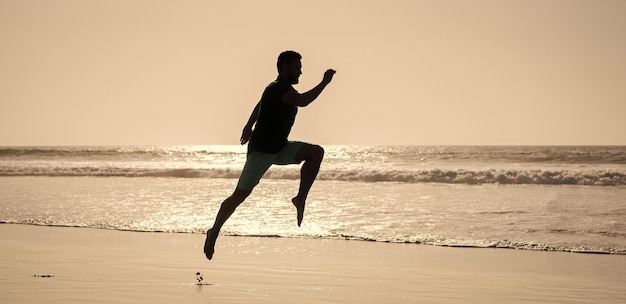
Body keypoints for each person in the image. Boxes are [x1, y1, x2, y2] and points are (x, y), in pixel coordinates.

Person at [204, 50, 336, 260]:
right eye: (296, 67)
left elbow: (259, 105)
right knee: (239, 196)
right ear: (284, 68)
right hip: (261, 152)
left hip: (280, 148)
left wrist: (249, 125)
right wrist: (324, 82)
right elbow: (302, 101)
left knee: (316, 152)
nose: (300, 71)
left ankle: (300, 198)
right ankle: (214, 231)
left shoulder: (280, 90)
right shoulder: (276, 89)